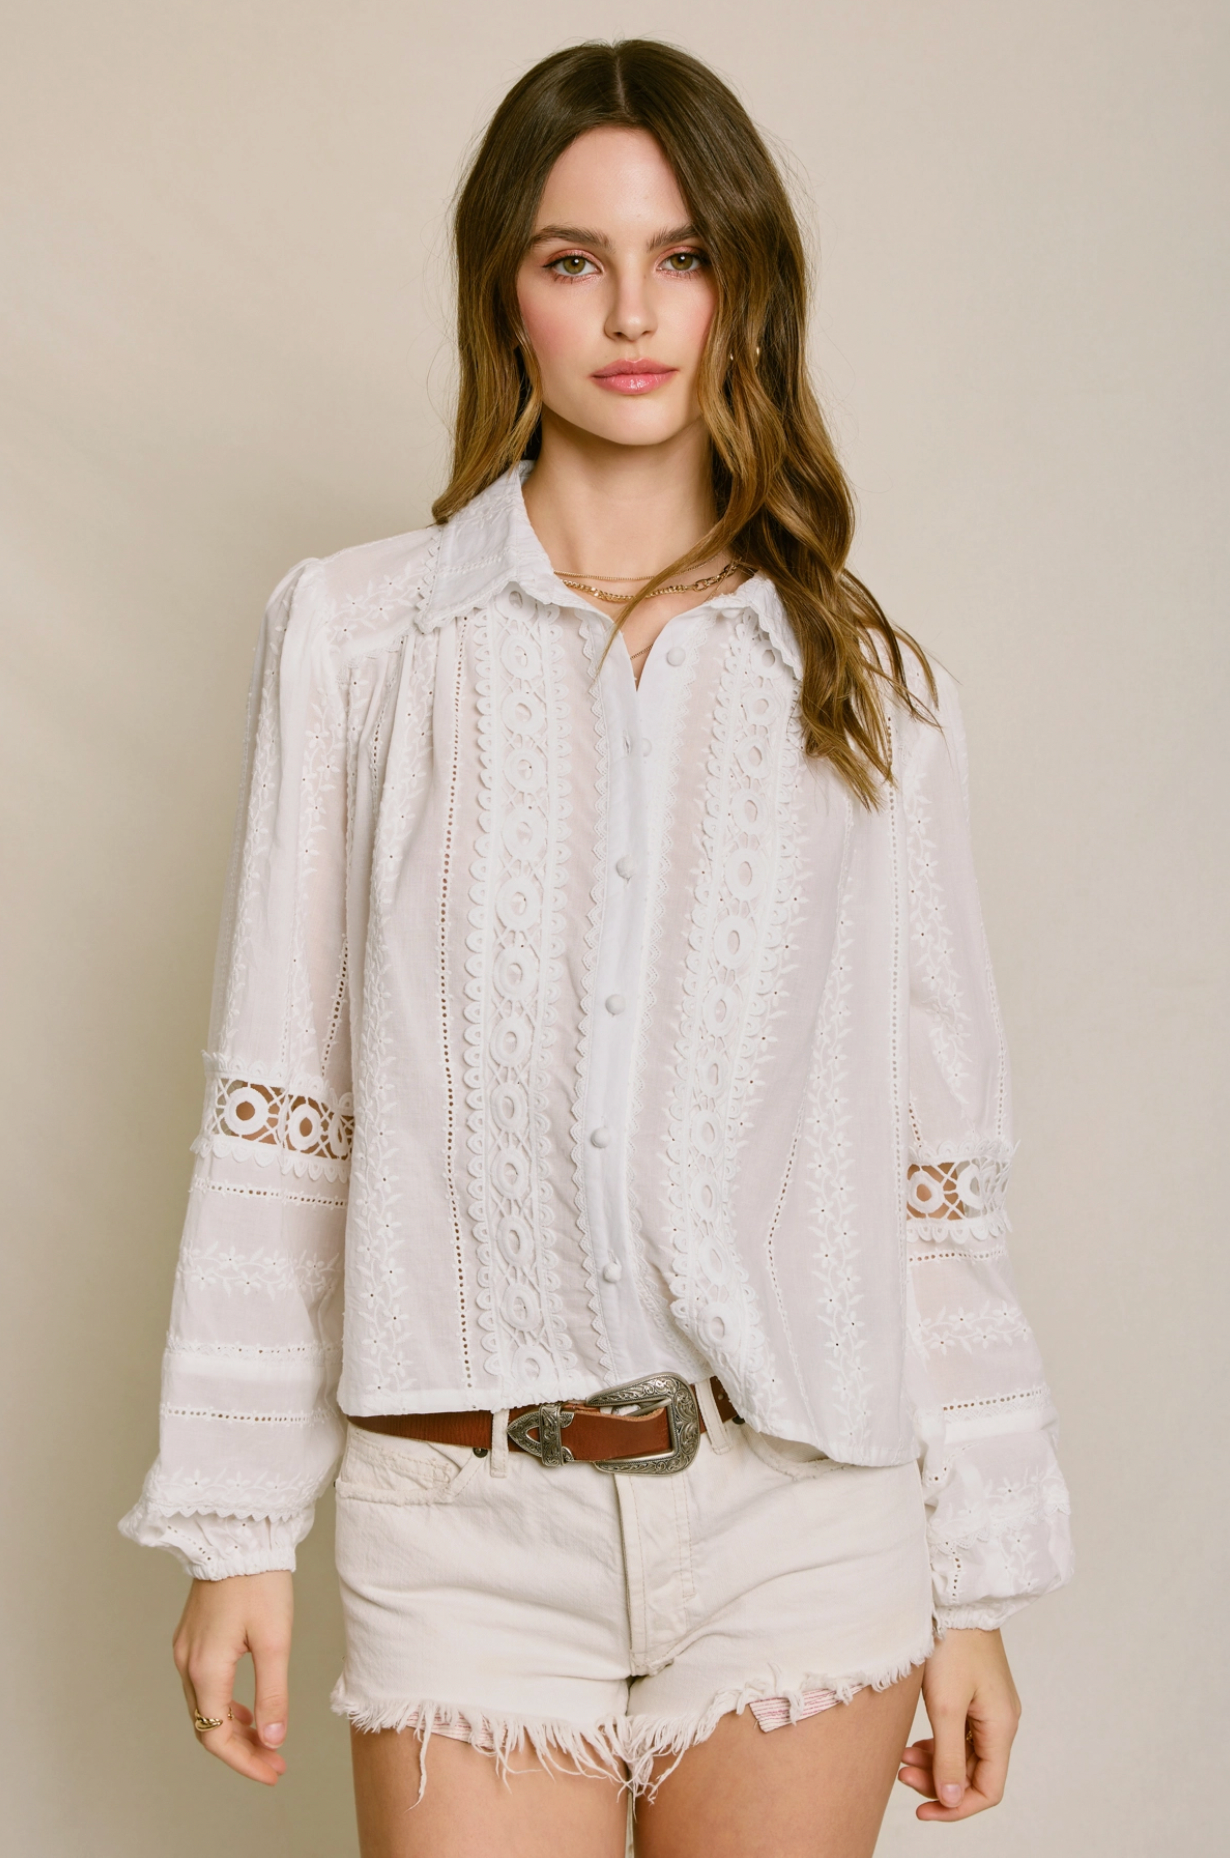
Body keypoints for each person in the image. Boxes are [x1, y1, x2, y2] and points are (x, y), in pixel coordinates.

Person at [121, 39, 1073, 1858]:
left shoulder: (868, 684)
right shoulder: (355, 642)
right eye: (575, 259)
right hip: (464, 1518)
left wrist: (976, 1580)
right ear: (508, 293)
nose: (636, 310)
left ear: (748, 292)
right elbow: (283, 1106)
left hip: (801, 1513)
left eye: (685, 255)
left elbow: (927, 1170)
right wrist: (237, 1527)